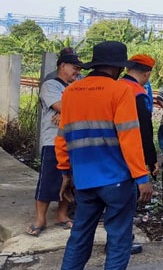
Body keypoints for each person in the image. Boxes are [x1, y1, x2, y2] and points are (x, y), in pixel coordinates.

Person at [55, 41, 153, 270]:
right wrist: (142, 178)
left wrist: (65, 173)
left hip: (84, 180)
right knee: (118, 240)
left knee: (79, 237)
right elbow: (129, 138)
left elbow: (62, 138)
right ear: (118, 67)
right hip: (116, 180)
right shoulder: (121, 90)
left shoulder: (70, 92)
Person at [27, 48, 82, 236]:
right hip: (53, 139)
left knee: (68, 179)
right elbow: (60, 105)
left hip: (73, 139)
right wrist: (65, 109)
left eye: (79, 69)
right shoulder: (51, 85)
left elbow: (85, 104)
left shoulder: (78, 84)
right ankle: (40, 218)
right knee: (48, 180)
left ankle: (62, 214)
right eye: (75, 68)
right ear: (63, 66)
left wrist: (66, 111)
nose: (77, 72)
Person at [121, 55, 158, 177]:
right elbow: (145, 128)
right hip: (131, 151)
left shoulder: (115, 85)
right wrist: (151, 159)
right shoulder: (138, 93)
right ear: (147, 74)